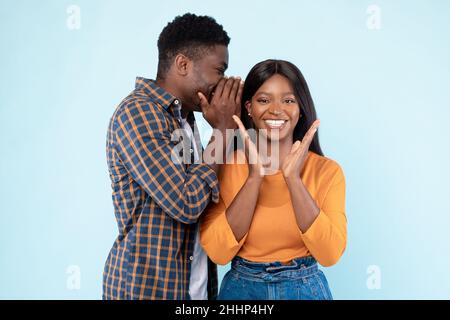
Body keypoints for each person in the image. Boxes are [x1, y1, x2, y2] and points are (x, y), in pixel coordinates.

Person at [103, 13, 243, 300]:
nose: (223, 82)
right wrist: (223, 129)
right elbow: (186, 203)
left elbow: (212, 193)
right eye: (219, 70)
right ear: (183, 64)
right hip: (147, 292)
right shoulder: (138, 113)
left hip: (194, 292)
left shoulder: (185, 118)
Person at [200, 59, 347, 300]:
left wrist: (293, 180)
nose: (276, 110)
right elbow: (218, 252)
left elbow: (329, 254)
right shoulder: (225, 167)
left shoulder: (327, 172)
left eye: (288, 100)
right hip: (242, 290)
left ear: (300, 109)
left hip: (305, 289)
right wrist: (254, 178)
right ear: (249, 108)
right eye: (264, 100)